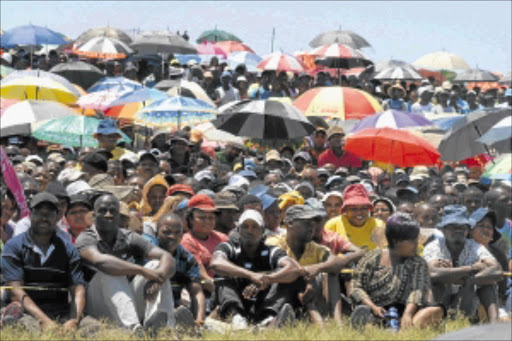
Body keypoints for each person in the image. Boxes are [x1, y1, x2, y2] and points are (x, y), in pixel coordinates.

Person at [75, 194, 176, 332]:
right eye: (103, 211)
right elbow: (101, 261)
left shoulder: (128, 236)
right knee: (111, 271)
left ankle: (162, 328)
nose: (108, 215)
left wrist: (158, 279)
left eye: (113, 211)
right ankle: (133, 330)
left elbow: (166, 256)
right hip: (96, 305)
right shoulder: (85, 238)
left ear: (118, 217)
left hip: (125, 303)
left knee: (156, 266)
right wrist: (142, 271)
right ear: (94, 215)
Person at [1, 193, 89, 331]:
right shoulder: (13, 246)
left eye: (49, 214)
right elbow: (15, 290)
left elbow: (78, 288)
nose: (44, 218)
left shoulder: (68, 249)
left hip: (60, 311)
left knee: (92, 327)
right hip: (26, 312)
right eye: (39, 213)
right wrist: (44, 321)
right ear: (30, 216)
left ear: (57, 217)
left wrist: (74, 319)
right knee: (22, 328)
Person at [350, 213, 444, 330]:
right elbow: (355, 287)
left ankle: (403, 330)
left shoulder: (418, 262)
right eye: (412, 241)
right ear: (395, 241)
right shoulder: (372, 258)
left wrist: (407, 314)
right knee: (364, 313)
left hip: (406, 309)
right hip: (376, 309)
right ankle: (377, 325)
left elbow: (417, 290)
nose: (416, 245)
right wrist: (373, 307)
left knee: (436, 310)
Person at [210, 210, 301, 328]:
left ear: (263, 231)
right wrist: (251, 275)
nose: (250, 231)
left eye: (255, 227)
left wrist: (267, 279)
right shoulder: (229, 247)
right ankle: (235, 318)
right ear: (238, 230)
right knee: (221, 275)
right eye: (245, 226)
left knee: (283, 276)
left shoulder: (271, 251)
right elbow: (216, 263)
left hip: (261, 301)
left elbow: (293, 269)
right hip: (235, 298)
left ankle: (268, 319)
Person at [266, 205, 349, 326]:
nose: (312, 227)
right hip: (281, 297)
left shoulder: (314, 248)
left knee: (331, 272)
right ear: (289, 223)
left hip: (308, 298)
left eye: (314, 223)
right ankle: (275, 319)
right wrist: (305, 277)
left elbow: (337, 262)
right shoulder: (274, 244)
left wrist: (317, 267)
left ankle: (337, 321)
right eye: (306, 222)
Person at [423, 205, 503, 323]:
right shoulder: (435, 246)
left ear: (468, 229)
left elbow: (497, 271)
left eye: (462, 227)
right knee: (435, 282)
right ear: (443, 229)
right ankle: (434, 321)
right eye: (453, 227)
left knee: (488, 283)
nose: (458, 231)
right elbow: (433, 273)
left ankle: (494, 325)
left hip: (465, 297)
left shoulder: (474, 246)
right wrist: (472, 268)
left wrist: (468, 280)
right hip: (440, 299)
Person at [146, 214, 205, 327]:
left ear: (182, 235)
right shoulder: (146, 250)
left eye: (177, 232)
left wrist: (199, 321)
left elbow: (196, 292)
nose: (172, 236)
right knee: (156, 265)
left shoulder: (187, 258)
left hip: (171, 307)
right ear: (157, 232)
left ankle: (176, 326)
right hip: (144, 301)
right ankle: (152, 324)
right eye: (166, 232)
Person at [324, 184, 387, 251]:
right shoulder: (333, 225)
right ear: (346, 210)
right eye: (353, 209)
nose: (359, 212)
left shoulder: (378, 225)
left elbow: (384, 253)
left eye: (363, 208)